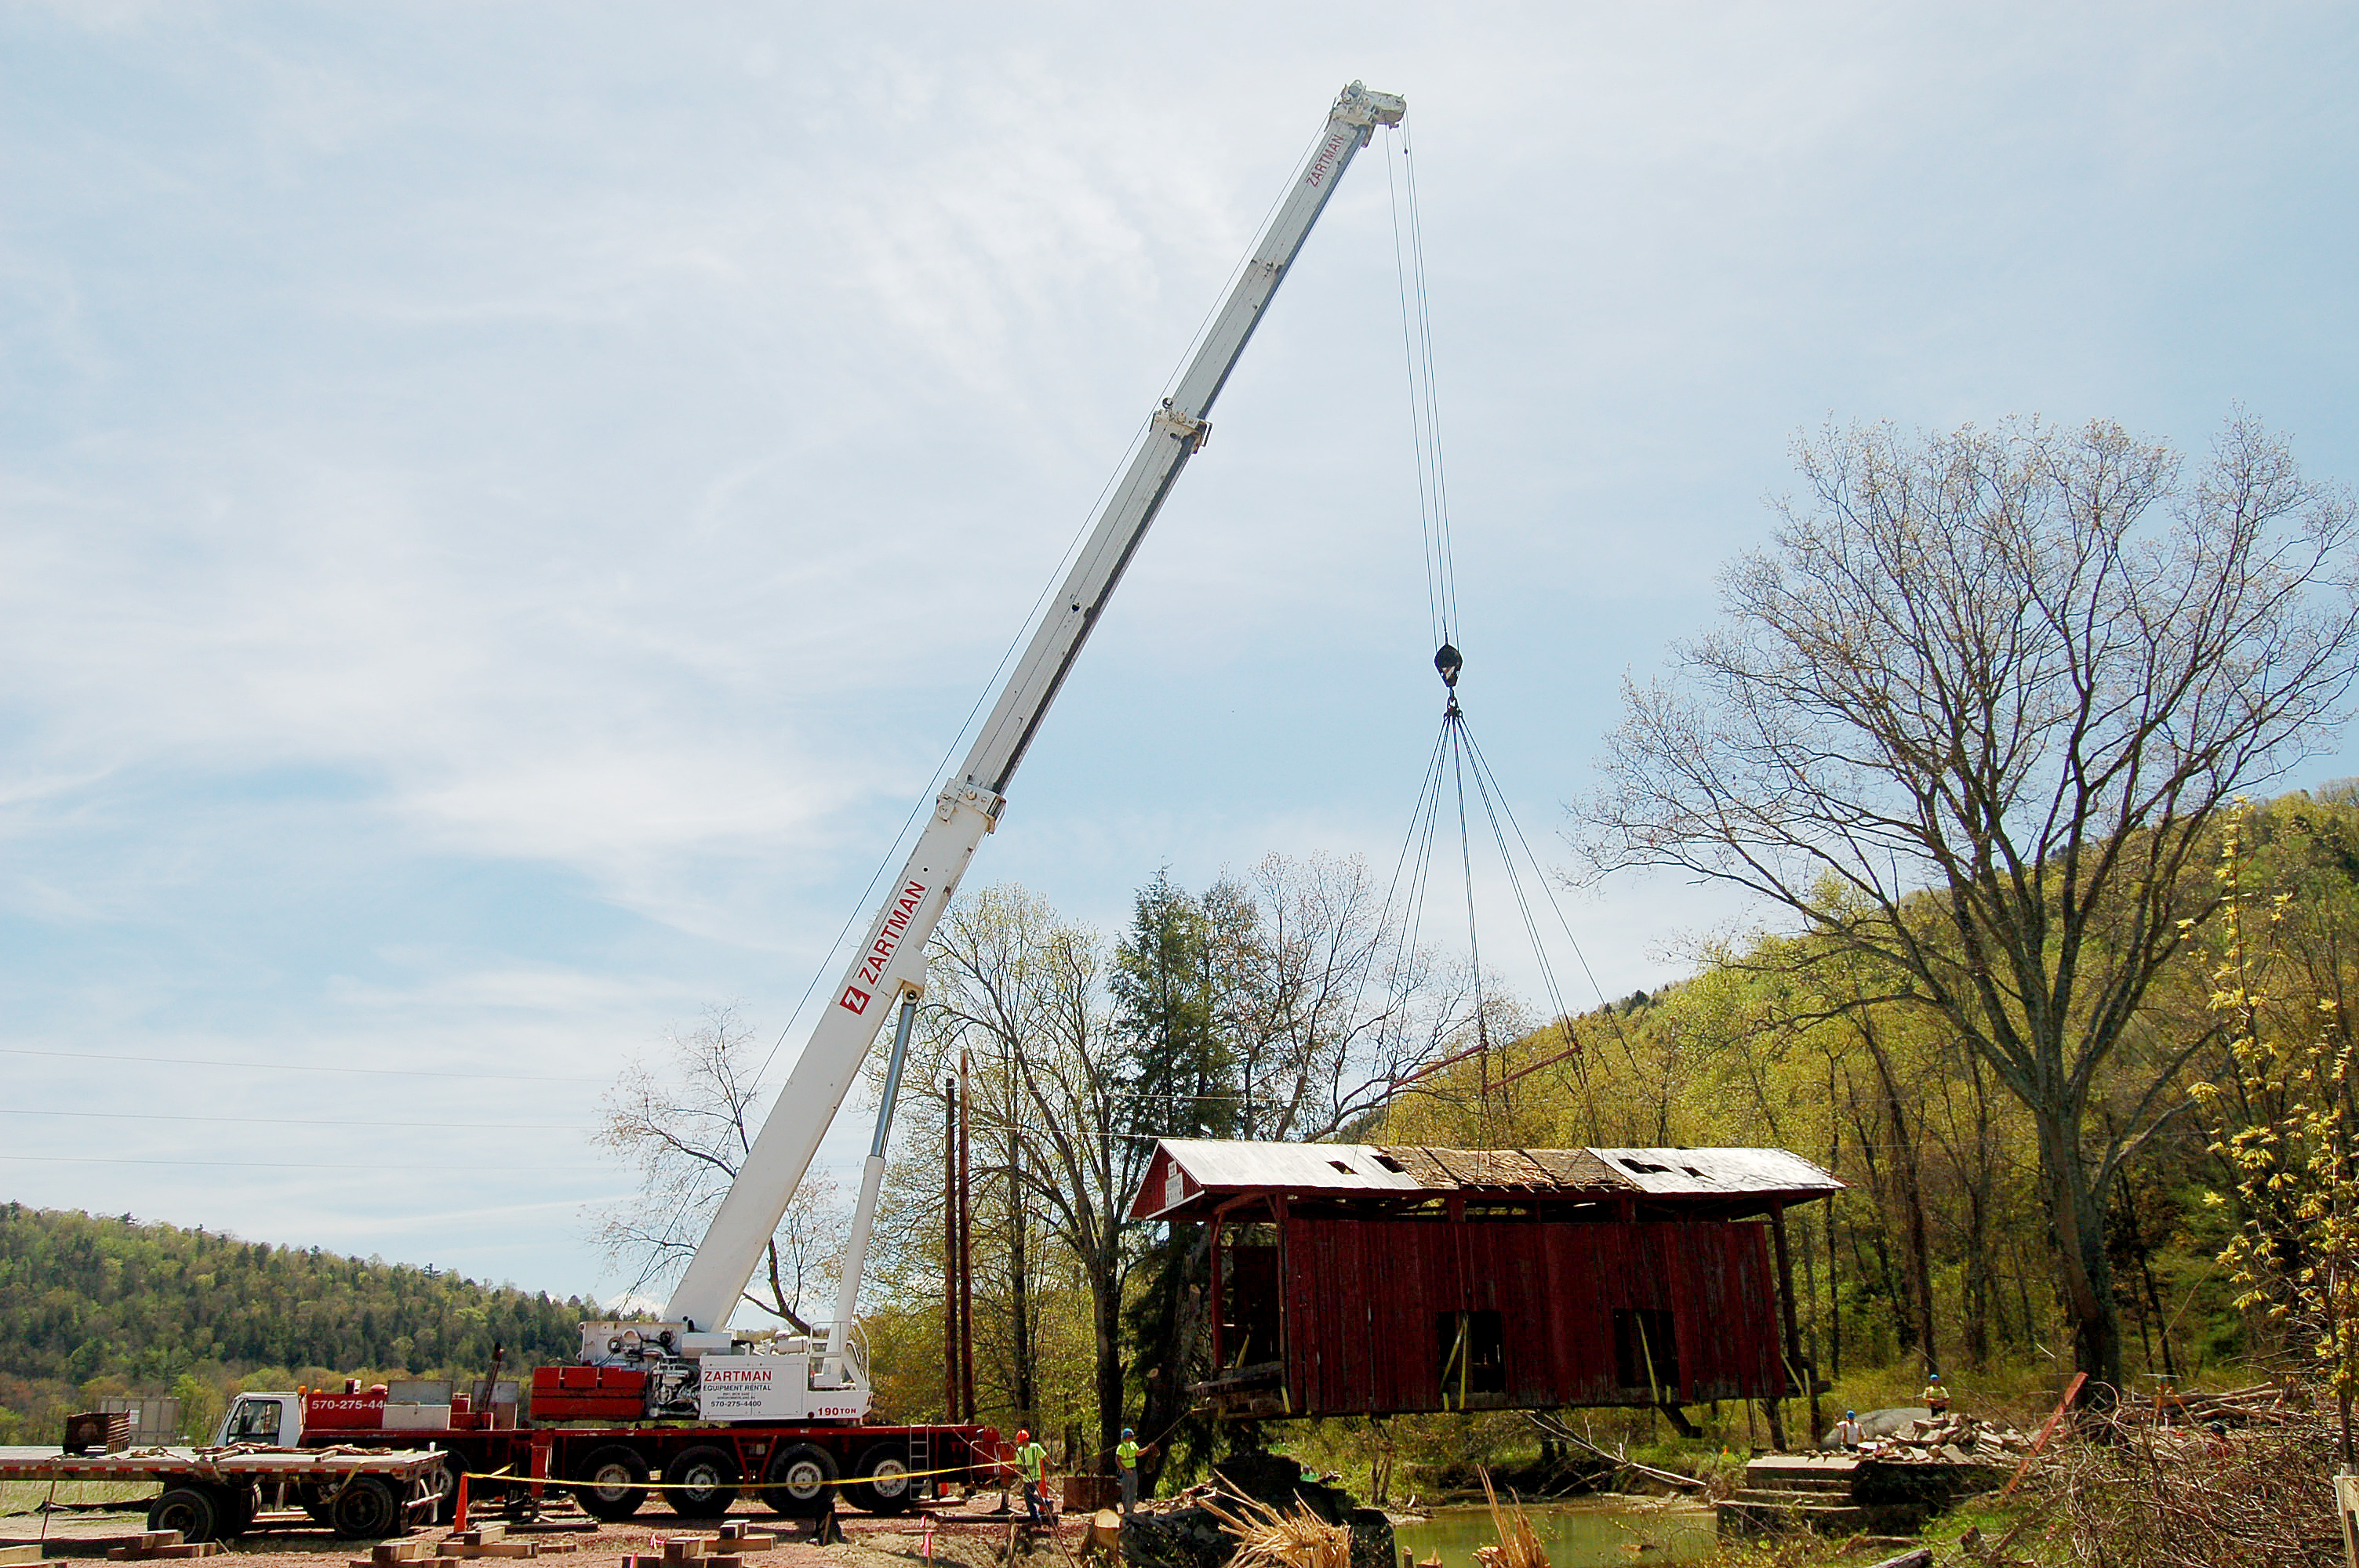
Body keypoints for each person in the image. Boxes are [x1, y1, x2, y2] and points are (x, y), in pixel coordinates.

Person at [1014, 1428, 1050, 1526]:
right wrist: (1021, 1471)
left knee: (1029, 1496)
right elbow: (1018, 1466)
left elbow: (1045, 1456)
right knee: (1028, 1498)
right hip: (1027, 1478)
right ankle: (1035, 1518)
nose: (1023, 1444)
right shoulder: (1020, 1451)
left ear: (1027, 1440)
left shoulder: (1036, 1447)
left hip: (1036, 1477)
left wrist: (1053, 1464)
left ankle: (1047, 1503)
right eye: (1021, 1443)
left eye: (1023, 1442)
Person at [1114, 1427, 1147, 1519]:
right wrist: (1125, 1469)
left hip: (1133, 1470)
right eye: (1129, 1436)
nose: (1131, 1438)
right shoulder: (1121, 1447)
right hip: (1125, 1472)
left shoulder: (1133, 1445)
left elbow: (1139, 1453)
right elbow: (1118, 1461)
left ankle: (1131, 1510)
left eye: (1132, 1436)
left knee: (1133, 1490)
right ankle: (1126, 1510)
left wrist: (1148, 1448)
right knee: (1126, 1491)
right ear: (1125, 1437)